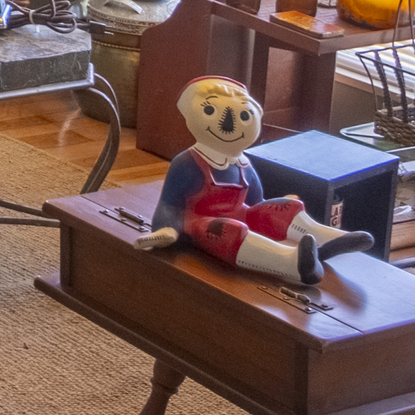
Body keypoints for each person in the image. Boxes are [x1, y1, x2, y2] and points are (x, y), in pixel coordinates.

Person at [133, 78, 374, 285]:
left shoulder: (243, 164)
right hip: (202, 223)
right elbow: (169, 205)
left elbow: (257, 201)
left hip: (242, 213)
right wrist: (165, 230)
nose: (229, 124)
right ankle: (289, 262)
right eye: (210, 111)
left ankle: (327, 240)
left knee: (285, 206)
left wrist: (281, 206)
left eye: (244, 115)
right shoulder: (188, 163)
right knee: (230, 230)